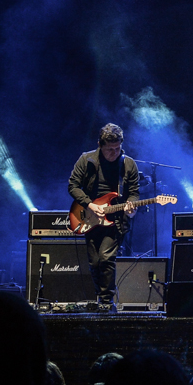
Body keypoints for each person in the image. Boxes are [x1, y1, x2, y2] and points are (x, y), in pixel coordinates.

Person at [68, 123, 139, 311]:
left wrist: (131, 206)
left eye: (117, 149)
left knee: (106, 257)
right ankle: (100, 298)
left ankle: (107, 302)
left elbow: (133, 192)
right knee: (94, 261)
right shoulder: (87, 160)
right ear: (100, 145)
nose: (114, 153)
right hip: (90, 216)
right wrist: (90, 204)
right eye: (110, 150)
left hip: (115, 220)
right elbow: (73, 186)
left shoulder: (128, 164)